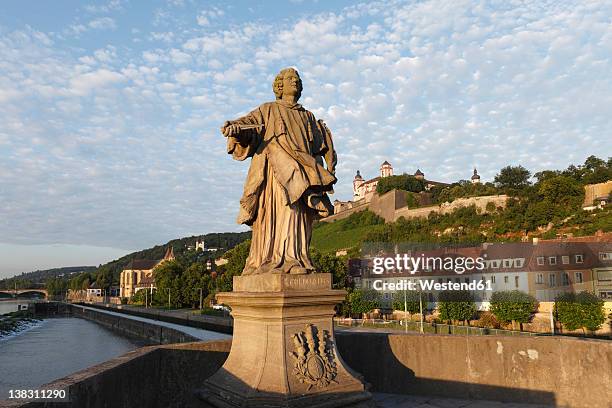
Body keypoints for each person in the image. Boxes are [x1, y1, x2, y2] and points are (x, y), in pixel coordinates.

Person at [221, 67, 337, 275]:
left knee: (297, 217)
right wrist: (236, 130)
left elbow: (320, 147)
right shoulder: (268, 109)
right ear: (280, 85)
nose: (295, 81)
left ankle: (295, 259)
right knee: (279, 213)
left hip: (302, 172)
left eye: (298, 79)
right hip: (275, 174)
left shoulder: (308, 116)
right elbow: (249, 126)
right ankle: (269, 260)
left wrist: (325, 165)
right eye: (291, 78)